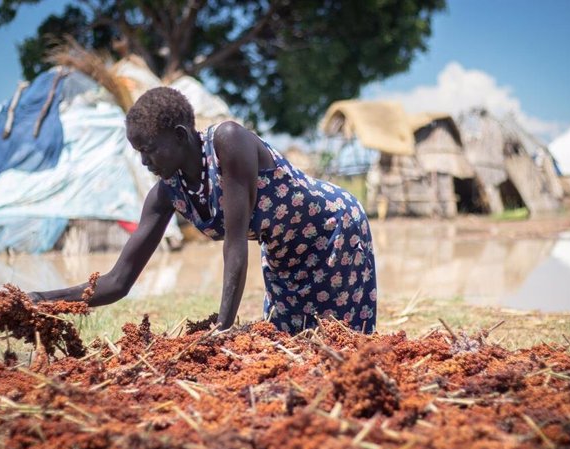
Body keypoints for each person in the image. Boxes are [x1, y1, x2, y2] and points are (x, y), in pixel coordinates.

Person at [29, 87, 377, 335]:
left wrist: (221, 332)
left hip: (332, 231)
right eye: (138, 152)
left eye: (149, 150)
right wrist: (42, 300)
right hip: (283, 251)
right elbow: (118, 282)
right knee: (290, 341)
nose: (144, 161)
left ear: (180, 136)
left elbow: (236, 244)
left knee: (342, 340)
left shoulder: (229, 142)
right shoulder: (167, 194)